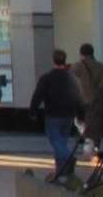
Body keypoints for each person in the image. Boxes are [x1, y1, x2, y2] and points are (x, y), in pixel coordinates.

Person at [33, 49, 85, 182]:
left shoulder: (47, 78)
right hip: (68, 114)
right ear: (65, 60)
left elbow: (38, 95)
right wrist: (81, 114)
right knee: (62, 141)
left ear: (53, 60)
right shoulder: (72, 78)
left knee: (56, 141)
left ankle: (68, 157)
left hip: (53, 114)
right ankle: (61, 170)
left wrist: (33, 110)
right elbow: (79, 97)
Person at [75, 42, 103, 113]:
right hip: (99, 102)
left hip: (84, 103)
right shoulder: (102, 67)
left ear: (81, 54)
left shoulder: (78, 66)